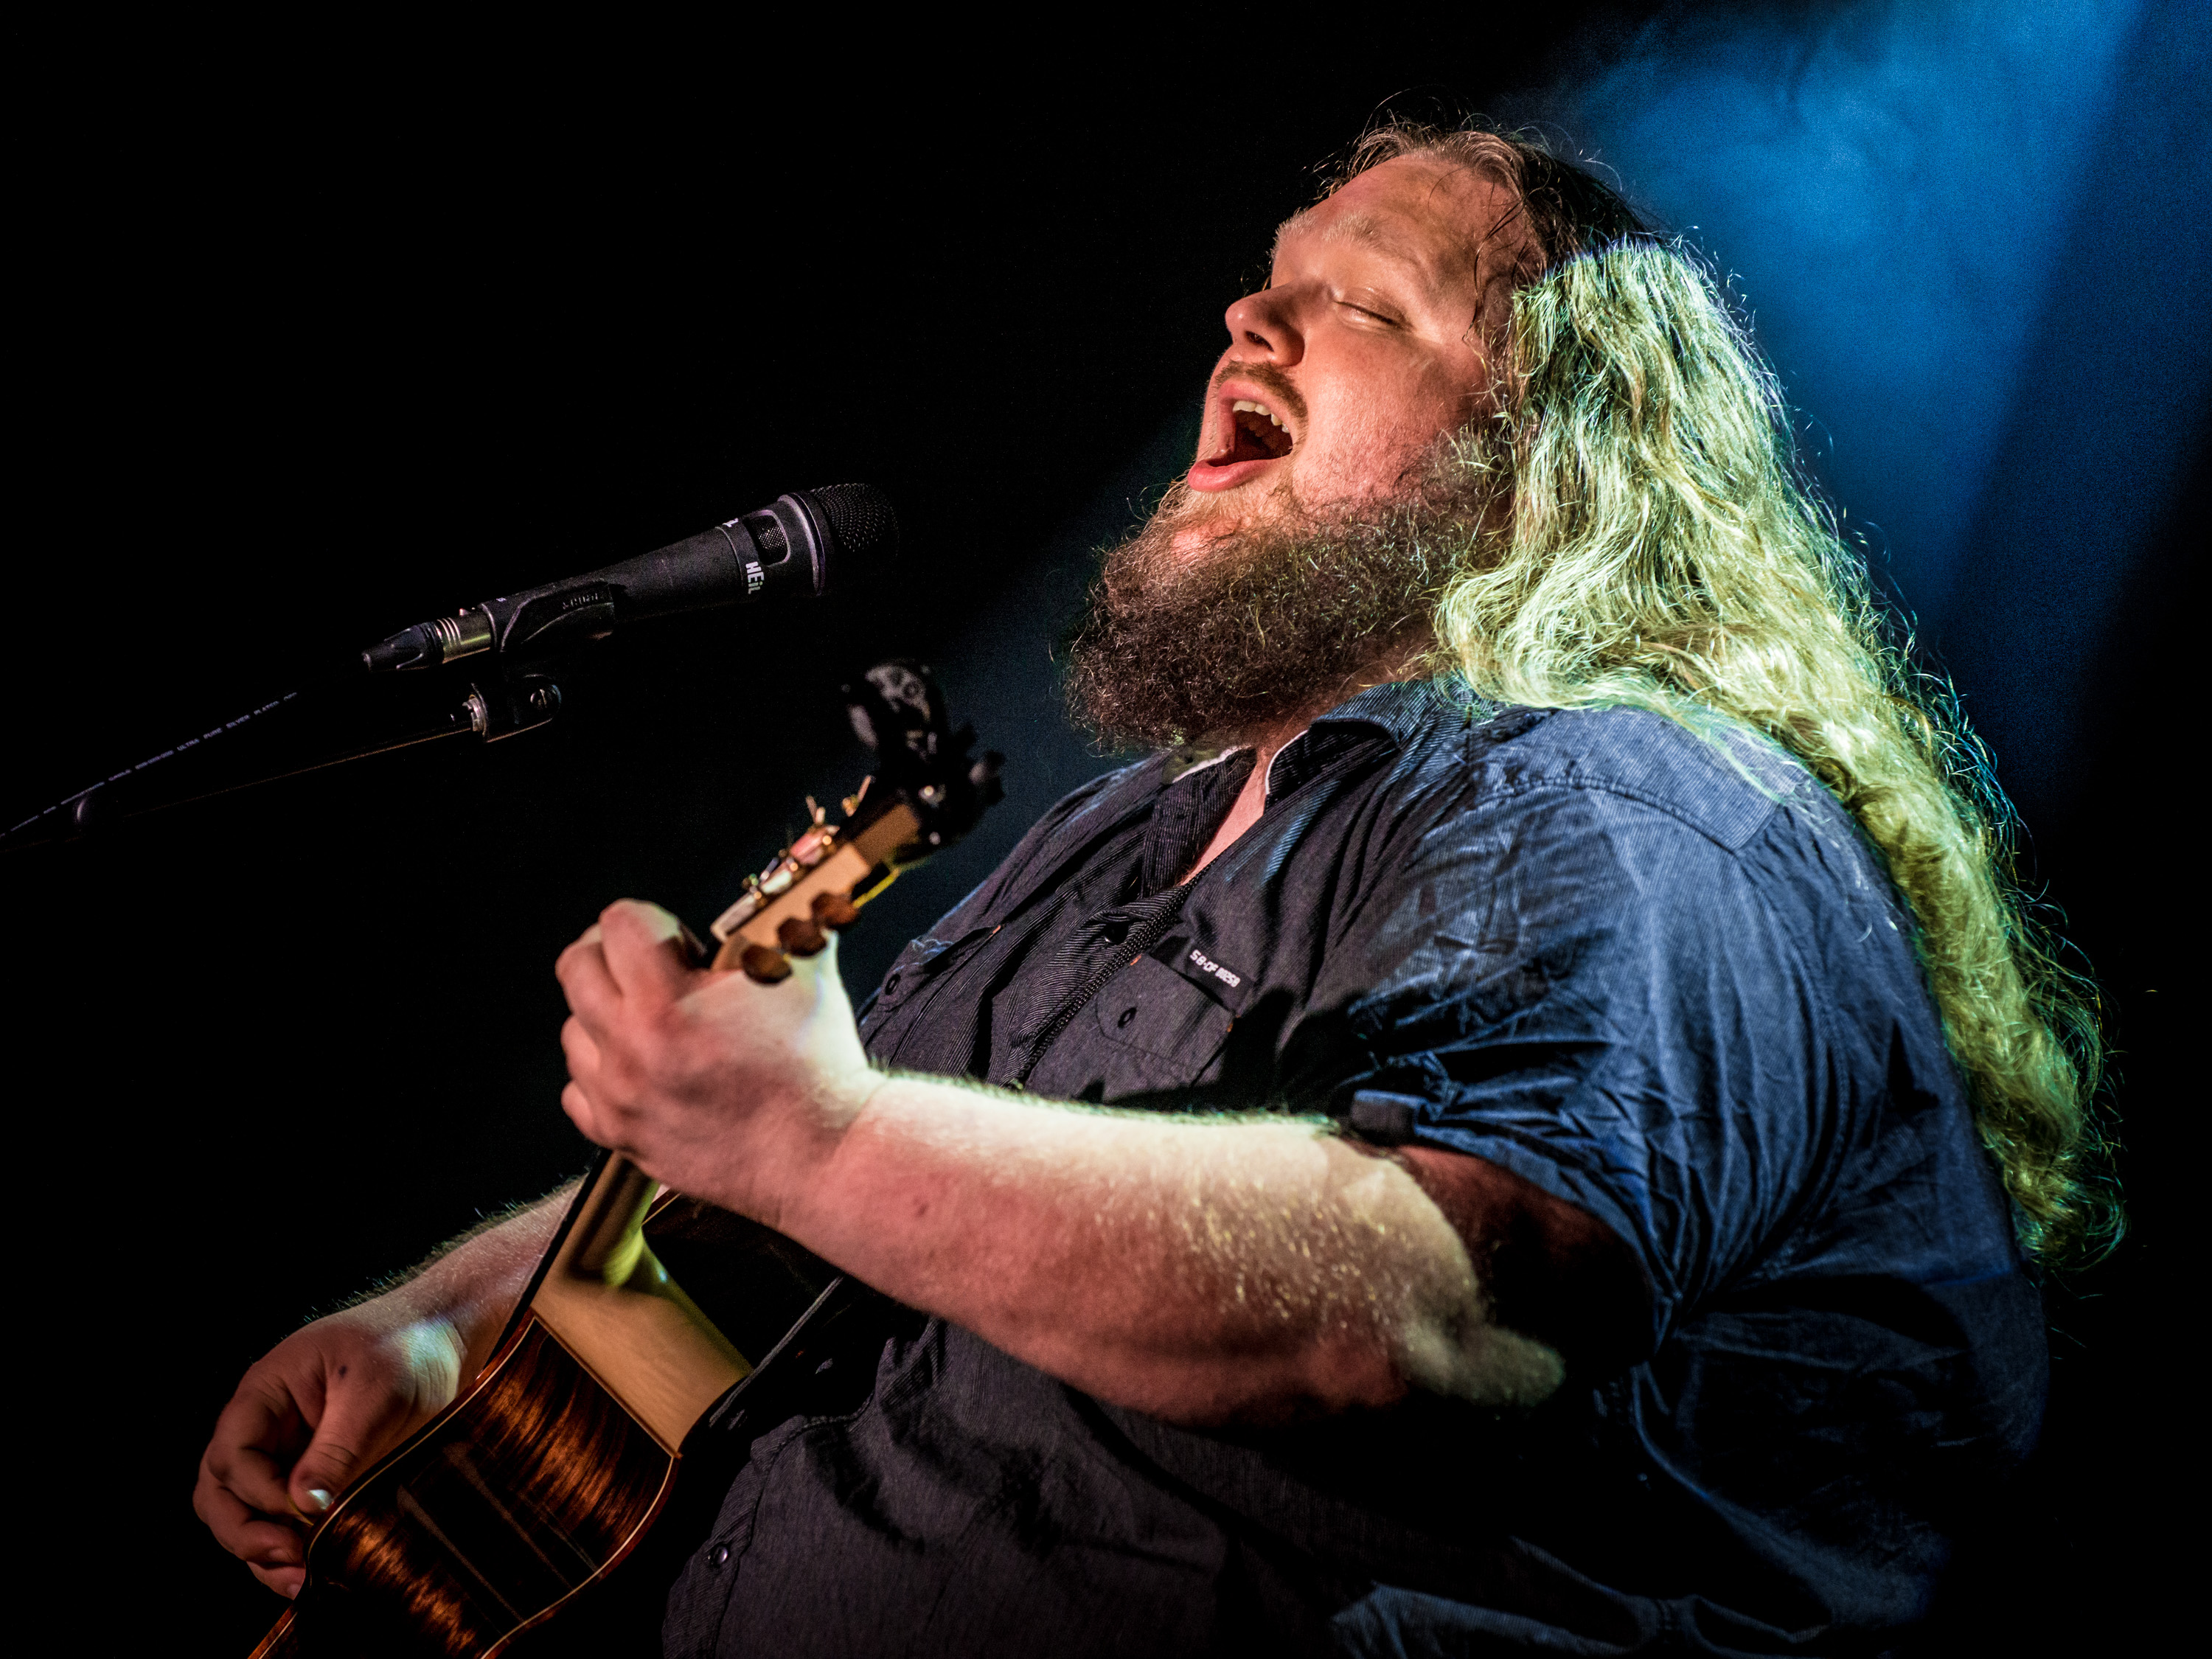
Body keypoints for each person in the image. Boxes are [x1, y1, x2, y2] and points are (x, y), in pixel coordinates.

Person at [195, 125, 2114, 1656]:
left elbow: (1432, 1312)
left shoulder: (1643, 806)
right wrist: (444, 1326)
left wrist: (818, 1139)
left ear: (1556, 460)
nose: (1244, 322)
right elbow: (764, 1157)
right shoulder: (1118, 838)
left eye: (1359, 305)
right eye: (1263, 287)